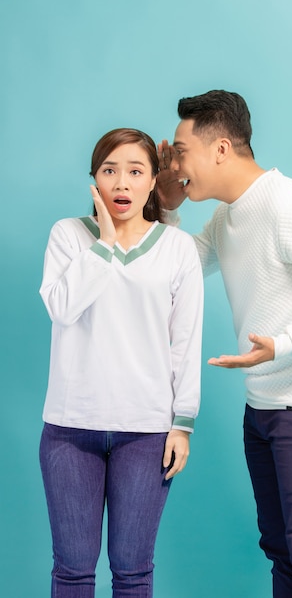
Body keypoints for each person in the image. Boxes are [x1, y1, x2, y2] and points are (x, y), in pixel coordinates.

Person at [157, 90, 292, 598]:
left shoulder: (286, 205)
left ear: (221, 149)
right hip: (265, 405)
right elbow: (178, 269)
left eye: (182, 152)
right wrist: (167, 208)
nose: (176, 164)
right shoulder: (230, 214)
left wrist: (283, 345)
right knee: (281, 552)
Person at [39, 128, 204, 598]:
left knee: (133, 572)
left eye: (135, 172)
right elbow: (63, 308)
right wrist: (106, 241)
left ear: (154, 181)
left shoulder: (177, 248)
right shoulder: (68, 236)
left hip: (146, 432)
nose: (122, 184)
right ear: (94, 179)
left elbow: (185, 342)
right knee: (72, 570)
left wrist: (182, 424)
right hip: (70, 430)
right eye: (110, 171)